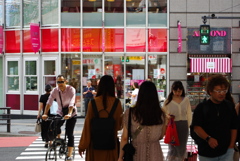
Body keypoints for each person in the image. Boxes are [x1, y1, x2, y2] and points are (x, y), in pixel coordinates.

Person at [191, 74, 238, 161]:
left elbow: (234, 127)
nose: (222, 94)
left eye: (224, 91)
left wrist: (231, 146)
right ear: (210, 91)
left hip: (226, 151)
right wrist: (208, 138)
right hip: (206, 153)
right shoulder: (202, 107)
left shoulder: (229, 106)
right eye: (218, 91)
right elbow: (197, 127)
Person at [118, 81, 166, 161]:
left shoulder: (130, 113)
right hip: (155, 154)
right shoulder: (161, 114)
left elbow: (124, 138)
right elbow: (160, 136)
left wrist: (120, 157)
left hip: (136, 154)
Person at [78, 75, 123, 161]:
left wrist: (82, 146)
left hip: (94, 147)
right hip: (111, 145)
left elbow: (87, 126)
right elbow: (119, 125)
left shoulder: (93, 103)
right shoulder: (117, 103)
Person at [42, 74, 77, 161]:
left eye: (61, 81)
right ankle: (58, 139)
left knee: (70, 134)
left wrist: (69, 114)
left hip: (71, 113)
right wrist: (45, 113)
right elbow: (49, 102)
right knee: (54, 125)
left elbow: (72, 102)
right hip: (61, 112)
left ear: (65, 81)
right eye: (58, 82)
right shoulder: (55, 90)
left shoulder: (71, 89)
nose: (60, 83)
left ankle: (69, 155)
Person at [162, 80, 192, 161]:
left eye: (179, 91)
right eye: (175, 91)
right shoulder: (168, 101)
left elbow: (189, 113)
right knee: (172, 147)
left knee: (182, 147)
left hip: (183, 125)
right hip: (172, 126)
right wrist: (167, 118)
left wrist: (188, 125)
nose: (178, 93)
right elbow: (163, 113)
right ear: (172, 90)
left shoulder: (186, 100)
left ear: (182, 90)